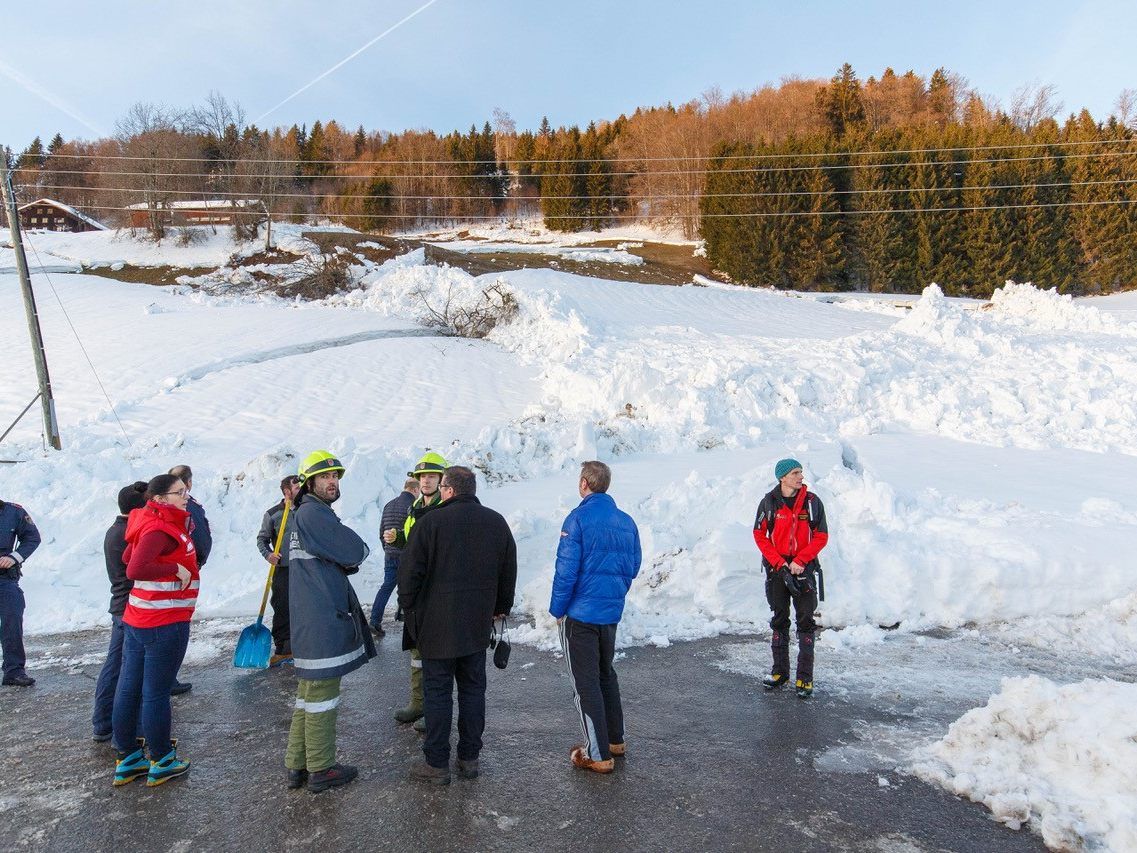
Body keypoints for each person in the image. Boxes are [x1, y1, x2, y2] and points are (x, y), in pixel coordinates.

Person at [398, 466, 516, 785]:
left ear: (447, 490)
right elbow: (508, 571)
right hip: (476, 625)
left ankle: (436, 764)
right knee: (473, 690)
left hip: (436, 626)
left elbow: (408, 576)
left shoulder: (430, 522)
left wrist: (410, 608)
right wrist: (500, 608)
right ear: (472, 490)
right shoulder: (496, 523)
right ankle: (469, 758)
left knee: (437, 692)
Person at [284, 450, 376, 793]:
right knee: (323, 694)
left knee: (308, 693)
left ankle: (297, 765)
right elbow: (355, 550)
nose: (332, 481)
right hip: (321, 615)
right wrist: (353, 553)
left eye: (335, 475)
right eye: (324, 477)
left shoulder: (303, 515)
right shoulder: (315, 514)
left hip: (311, 615)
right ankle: (321, 768)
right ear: (310, 482)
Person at [550, 461, 641, 775]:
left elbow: (566, 572)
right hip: (609, 612)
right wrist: (615, 593)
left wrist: (557, 609)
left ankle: (598, 754)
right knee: (605, 675)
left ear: (584, 483)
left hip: (580, 614)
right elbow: (632, 567)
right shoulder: (626, 522)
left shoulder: (576, 519)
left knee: (584, 683)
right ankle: (615, 740)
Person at [111, 474, 198, 787]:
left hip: (139, 618)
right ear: (160, 499)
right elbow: (134, 568)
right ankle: (161, 759)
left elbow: (126, 556)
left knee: (130, 687)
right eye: (179, 492)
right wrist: (175, 567)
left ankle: (128, 756)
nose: (186, 496)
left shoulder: (149, 521)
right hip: (164, 620)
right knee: (155, 693)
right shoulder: (160, 526)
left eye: (186, 490)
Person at [752, 458, 829, 698]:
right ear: (782, 477)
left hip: (803, 570)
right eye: (795, 473)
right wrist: (779, 563)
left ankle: (804, 679)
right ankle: (779, 672)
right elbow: (759, 534)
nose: (800, 476)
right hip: (777, 571)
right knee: (779, 619)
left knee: (806, 622)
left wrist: (800, 561)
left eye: (801, 472)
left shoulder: (812, 502)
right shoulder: (769, 502)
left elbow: (821, 536)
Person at [384, 452, 447, 730]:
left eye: (431, 476)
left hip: (436, 589)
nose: (426, 481)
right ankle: (418, 704)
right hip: (416, 588)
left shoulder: (445, 508)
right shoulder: (416, 506)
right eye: (422, 477)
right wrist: (398, 537)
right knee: (417, 650)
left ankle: (434, 712)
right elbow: (414, 542)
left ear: (441, 479)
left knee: (437, 652)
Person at [92, 481, 148, 741]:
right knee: (126, 671)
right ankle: (123, 731)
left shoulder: (117, 529)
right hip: (130, 608)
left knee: (116, 667)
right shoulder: (127, 534)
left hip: (121, 606)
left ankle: (104, 723)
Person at [167, 464, 207, 695]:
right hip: (180, 576)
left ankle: (165, 678)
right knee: (175, 629)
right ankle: (166, 679)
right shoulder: (184, 508)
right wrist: (195, 561)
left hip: (182, 571)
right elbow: (199, 537)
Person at [257, 474, 301, 666]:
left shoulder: (307, 510)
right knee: (282, 607)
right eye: (297, 488)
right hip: (284, 569)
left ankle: (306, 645)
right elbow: (262, 539)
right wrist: (269, 555)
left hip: (306, 568)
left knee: (306, 607)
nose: (301, 491)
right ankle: (283, 649)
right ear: (287, 492)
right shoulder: (273, 513)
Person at [369, 477, 419, 638]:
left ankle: (374, 621)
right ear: (415, 490)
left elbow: (381, 530)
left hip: (390, 554)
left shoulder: (389, 505)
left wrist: (387, 549)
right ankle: (407, 622)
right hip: (406, 555)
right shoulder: (413, 506)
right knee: (409, 589)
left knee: (386, 587)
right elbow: (413, 534)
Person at [0, 496, 42, 688]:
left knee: (12, 620)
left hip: (4, 578)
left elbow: (32, 537)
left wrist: (15, 557)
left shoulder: (13, 512)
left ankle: (14, 671)